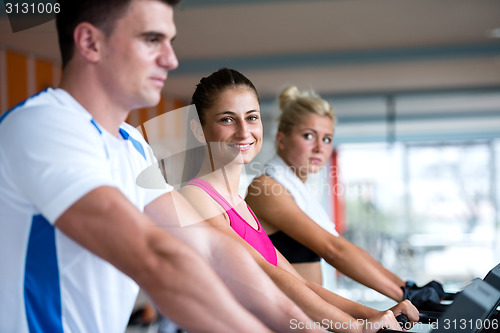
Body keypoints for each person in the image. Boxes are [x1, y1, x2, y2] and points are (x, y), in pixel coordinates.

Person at [0, 1, 320, 332]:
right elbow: (156, 259)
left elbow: (209, 249)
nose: (171, 59)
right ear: (90, 43)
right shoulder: (43, 125)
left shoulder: (131, 142)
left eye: (170, 41)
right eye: (152, 39)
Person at [177, 67, 419, 332]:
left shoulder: (240, 204)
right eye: (227, 119)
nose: (244, 131)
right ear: (198, 130)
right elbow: (263, 273)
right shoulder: (195, 197)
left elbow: (299, 283)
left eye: (252, 117)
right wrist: (358, 327)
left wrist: (376, 314)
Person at [245, 85, 445, 310]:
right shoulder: (266, 188)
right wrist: (403, 295)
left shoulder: (299, 191)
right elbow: (333, 250)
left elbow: (343, 246)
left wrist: (408, 287)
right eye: (308, 136)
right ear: (281, 140)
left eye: (328, 139)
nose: (320, 147)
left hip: (304, 316)